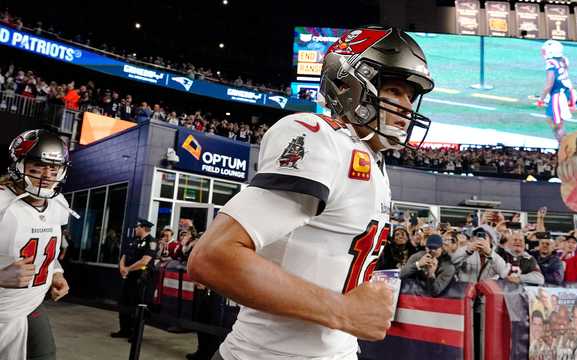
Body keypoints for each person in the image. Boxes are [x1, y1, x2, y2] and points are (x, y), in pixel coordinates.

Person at [188, 26, 435, 360]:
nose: (407, 107)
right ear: (348, 86)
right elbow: (212, 257)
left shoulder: (373, 161)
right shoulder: (321, 138)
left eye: (410, 95)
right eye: (394, 90)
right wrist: (344, 311)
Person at [0, 129, 76, 360]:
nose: (47, 175)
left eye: (53, 168)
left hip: (31, 303)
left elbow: (46, 250)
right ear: (18, 165)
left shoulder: (57, 204)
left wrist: (56, 273)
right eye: (38, 167)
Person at [111, 218, 158, 340]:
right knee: (124, 303)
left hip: (141, 278)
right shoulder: (134, 240)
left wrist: (128, 269)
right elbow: (125, 255)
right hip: (129, 277)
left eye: (137, 227)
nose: (135, 229)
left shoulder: (152, 242)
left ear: (143, 228)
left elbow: (145, 261)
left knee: (136, 306)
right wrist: (122, 267)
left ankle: (135, 334)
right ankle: (124, 330)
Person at [536, 39, 576, 141]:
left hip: (558, 94)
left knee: (557, 124)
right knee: (551, 119)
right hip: (565, 91)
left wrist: (541, 99)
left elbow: (549, 84)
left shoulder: (551, 63)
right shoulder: (563, 60)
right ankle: (563, 145)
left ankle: (565, 148)